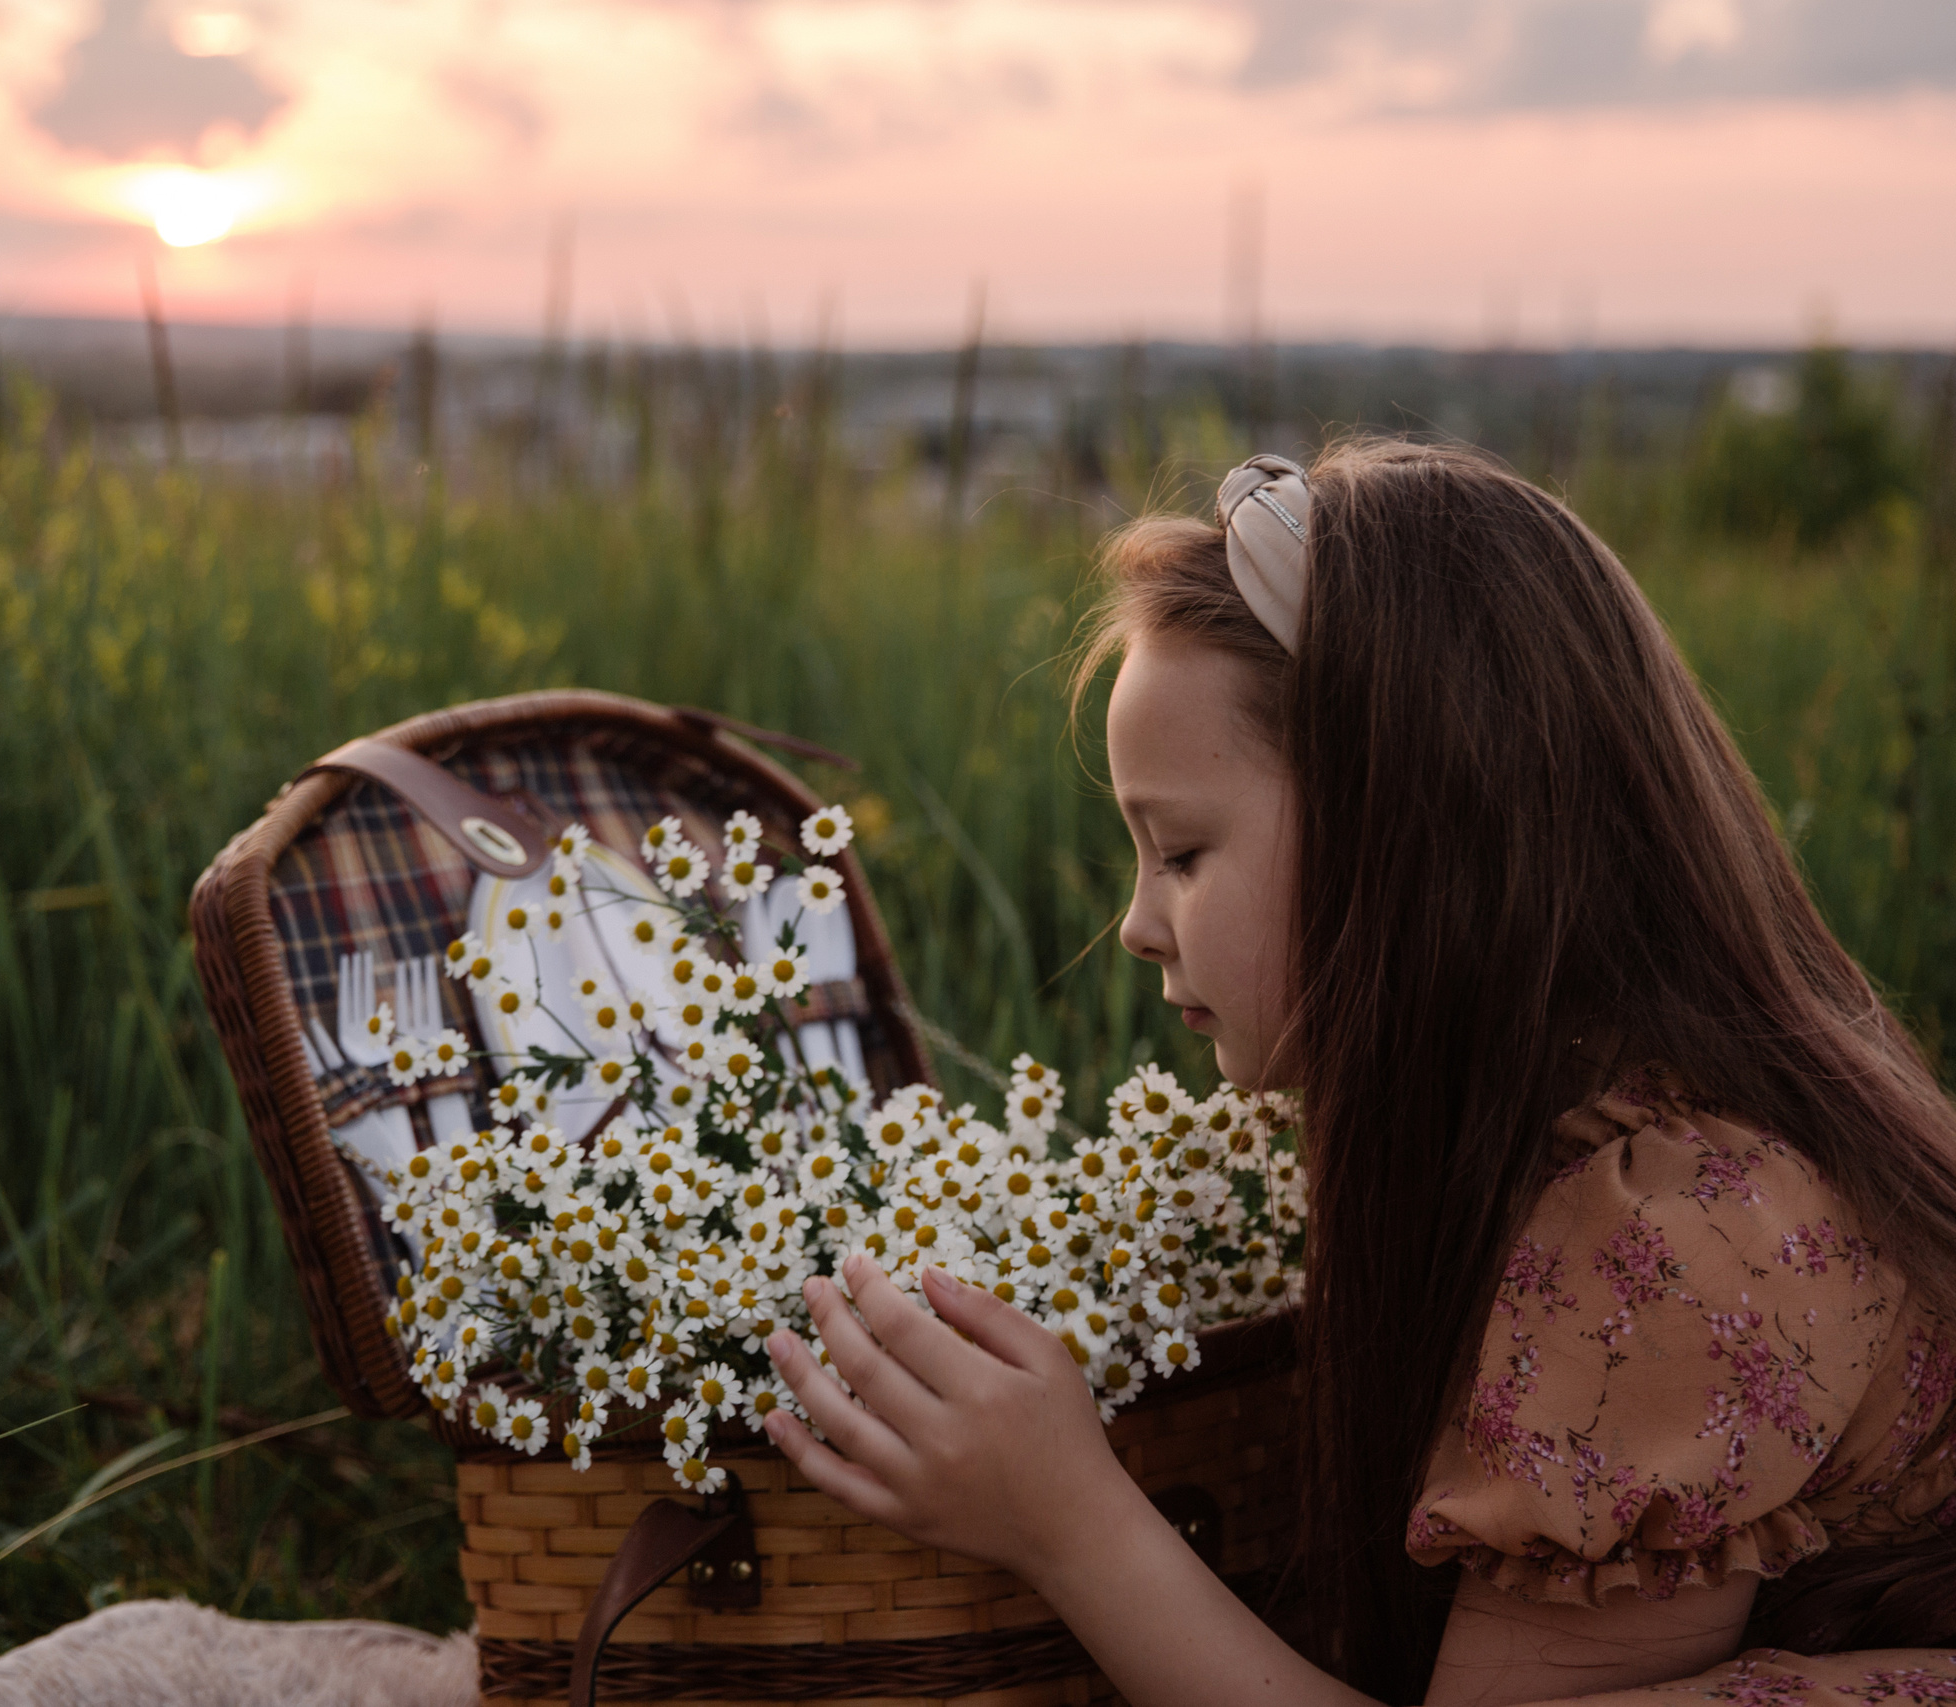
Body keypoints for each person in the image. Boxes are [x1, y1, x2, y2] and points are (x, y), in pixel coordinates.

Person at [761, 439, 1956, 1707]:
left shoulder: (1679, 1234)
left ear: (1410, 834)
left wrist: (1070, 1522)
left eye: (1180, 851)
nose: (1136, 925)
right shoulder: (1517, 1123)